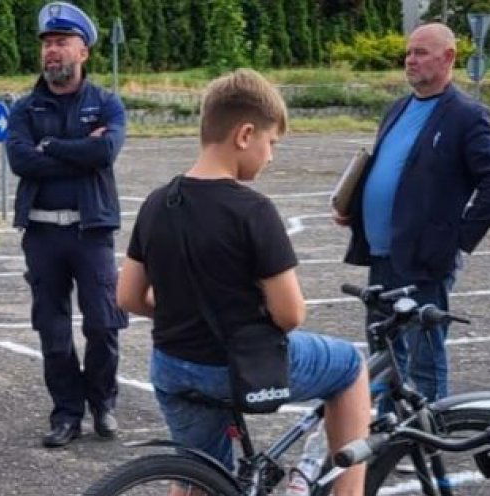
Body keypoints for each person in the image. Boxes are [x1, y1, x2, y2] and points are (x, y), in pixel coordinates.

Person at [117, 69, 370, 495]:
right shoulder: (253, 211)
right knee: (348, 367)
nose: (270, 157)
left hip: (172, 365)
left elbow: (128, 296)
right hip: (233, 365)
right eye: (271, 143)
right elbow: (289, 314)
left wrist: (185, 308)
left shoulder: (157, 202)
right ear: (245, 134)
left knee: (199, 474)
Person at [334, 23, 490, 409]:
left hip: (424, 262)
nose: (411, 61)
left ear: (448, 58)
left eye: (422, 53)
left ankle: (428, 448)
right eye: (409, 53)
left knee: (424, 359)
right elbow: (390, 169)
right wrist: (355, 208)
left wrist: (459, 238)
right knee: (384, 357)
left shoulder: (466, 115)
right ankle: (387, 443)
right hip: (382, 256)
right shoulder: (398, 108)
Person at [5, 1, 128, 448]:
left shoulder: (106, 103)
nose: (52, 51)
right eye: (47, 44)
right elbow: (21, 161)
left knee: (103, 323)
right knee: (53, 331)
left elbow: (104, 154)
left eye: (61, 43)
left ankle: (103, 404)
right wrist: (75, 150)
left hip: (90, 232)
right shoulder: (24, 109)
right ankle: (66, 414)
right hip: (41, 234)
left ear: (84, 52)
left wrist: (50, 147)